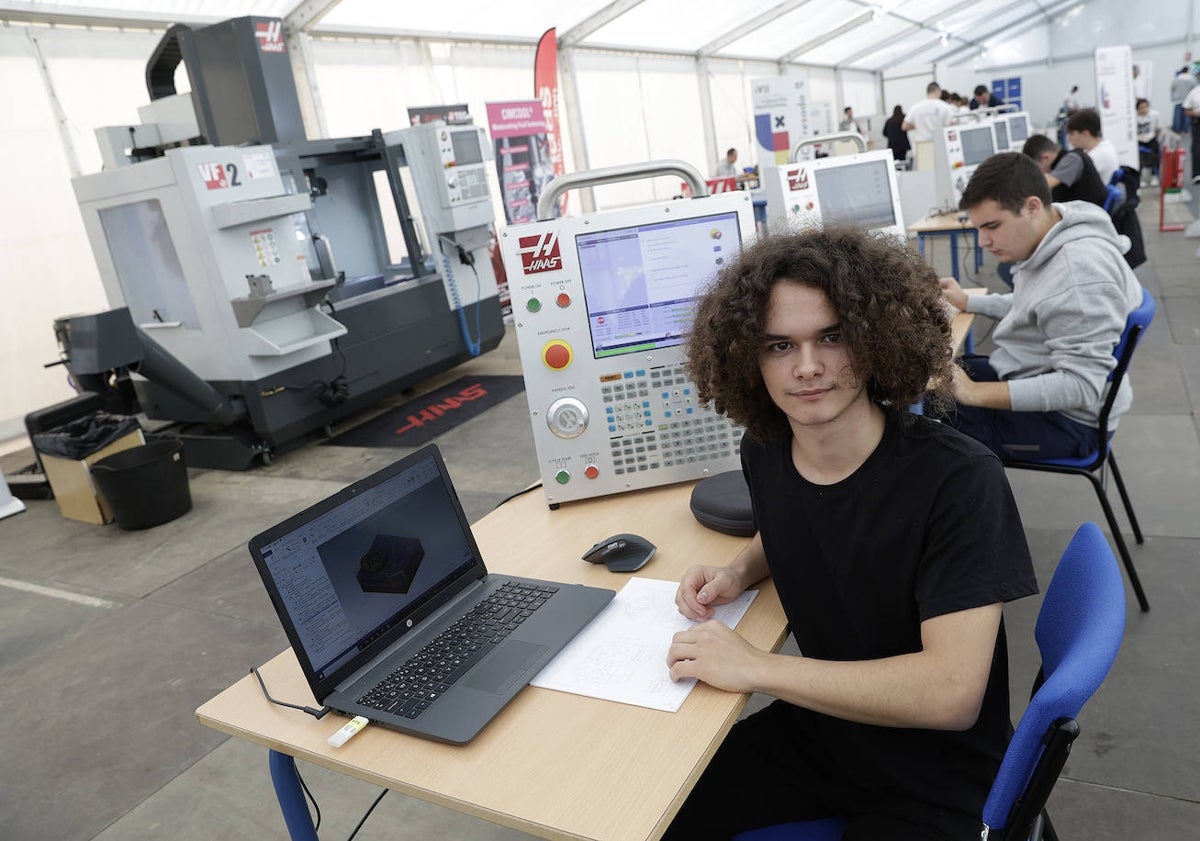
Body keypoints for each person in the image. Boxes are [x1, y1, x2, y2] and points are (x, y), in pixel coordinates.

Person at [660, 227, 1038, 840]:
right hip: (830, 730)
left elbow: (950, 693)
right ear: (748, 358)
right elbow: (799, 522)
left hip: (938, 777)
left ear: (872, 339)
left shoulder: (960, 482)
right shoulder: (766, 450)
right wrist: (738, 570)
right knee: (653, 813)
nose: (807, 367)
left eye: (831, 338)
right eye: (779, 345)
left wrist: (757, 668)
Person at [938, 152, 1143, 462]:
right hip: (1036, 373)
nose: (982, 241)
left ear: (1032, 207)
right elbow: (1035, 305)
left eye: (992, 226)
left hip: (1070, 421)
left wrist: (974, 393)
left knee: (935, 432)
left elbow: (1080, 385)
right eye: (978, 228)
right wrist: (970, 302)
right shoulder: (1057, 228)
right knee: (939, 381)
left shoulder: (1079, 276)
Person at [1022, 133, 1108, 207]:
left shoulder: (1072, 160)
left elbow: (1044, 185)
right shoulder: (1066, 159)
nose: (1040, 172)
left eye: (1037, 168)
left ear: (1046, 157)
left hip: (1089, 215)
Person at [1065, 108, 1119, 185]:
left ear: (1085, 134)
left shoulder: (1096, 156)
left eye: (1072, 134)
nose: (1069, 139)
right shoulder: (1106, 145)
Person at [1136, 98, 1162, 185]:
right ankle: (1141, 179)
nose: (1143, 110)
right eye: (1141, 108)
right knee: (1140, 160)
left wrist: (1154, 136)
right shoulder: (1134, 117)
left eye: (1145, 107)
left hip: (1151, 139)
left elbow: (1158, 128)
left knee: (1155, 158)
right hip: (1139, 140)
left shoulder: (1154, 115)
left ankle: (1154, 176)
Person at [1182, 81, 1200, 183]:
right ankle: (1197, 174)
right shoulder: (1195, 92)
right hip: (1198, 121)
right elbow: (1186, 109)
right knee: (1197, 148)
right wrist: (1195, 113)